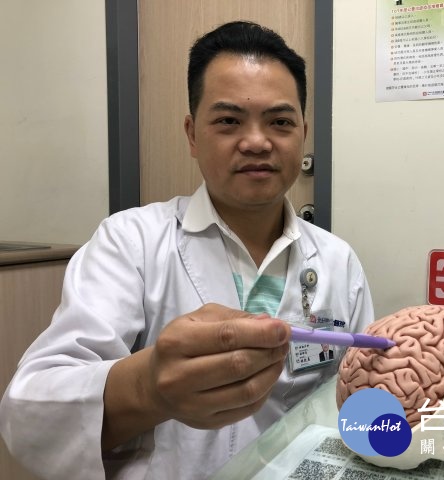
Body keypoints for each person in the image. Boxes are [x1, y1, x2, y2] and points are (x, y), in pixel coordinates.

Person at [0, 21, 374, 480]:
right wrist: (148, 388)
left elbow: (361, 396)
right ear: (193, 134)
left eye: (280, 122)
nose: (257, 141)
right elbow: (28, 414)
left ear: (303, 133)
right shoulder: (130, 242)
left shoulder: (338, 261)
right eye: (229, 121)